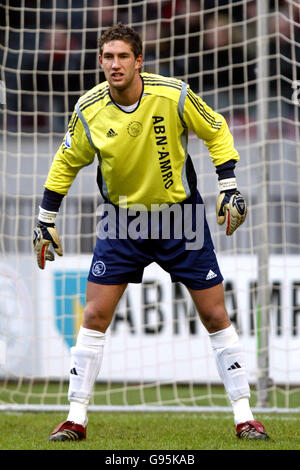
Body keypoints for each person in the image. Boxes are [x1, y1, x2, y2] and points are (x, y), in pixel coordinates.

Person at [33, 23, 269, 442]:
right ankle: (75, 418)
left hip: (181, 219)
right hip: (123, 222)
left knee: (215, 315)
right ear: (100, 61)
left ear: (138, 60)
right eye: (108, 57)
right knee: (93, 315)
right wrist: (45, 218)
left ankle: (245, 416)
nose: (115, 64)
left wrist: (229, 185)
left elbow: (215, 128)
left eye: (123, 56)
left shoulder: (173, 94)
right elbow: (66, 161)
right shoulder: (88, 108)